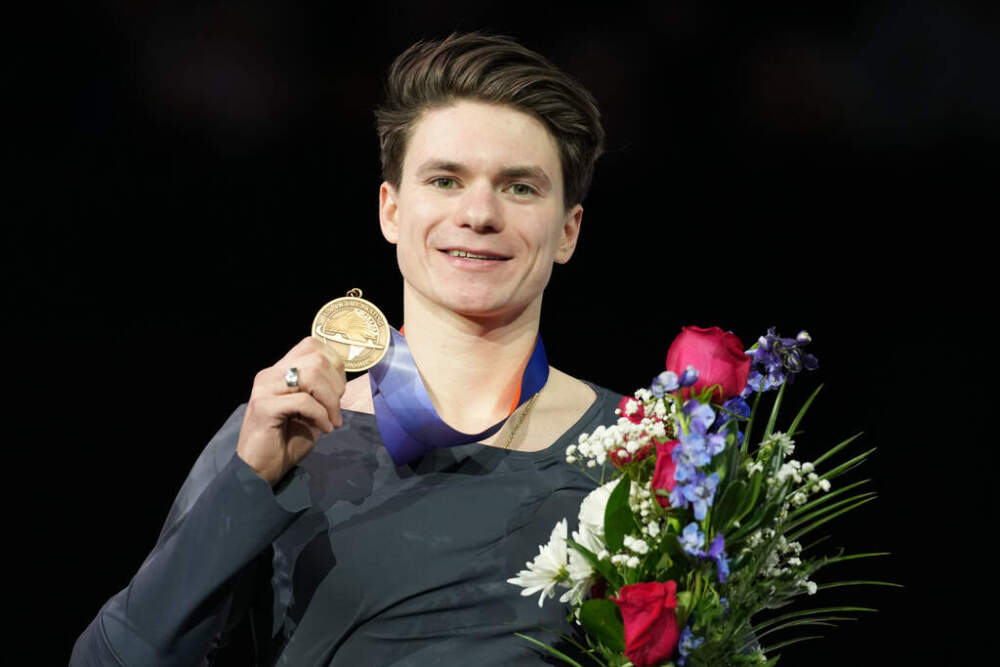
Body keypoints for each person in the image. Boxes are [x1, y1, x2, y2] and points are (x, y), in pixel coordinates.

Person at [72, 32, 621, 666]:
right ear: (391, 211)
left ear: (568, 231)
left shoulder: (642, 453)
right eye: (445, 180)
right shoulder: (287, 429)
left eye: (520, 187)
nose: (479, 213)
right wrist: (248, 483)